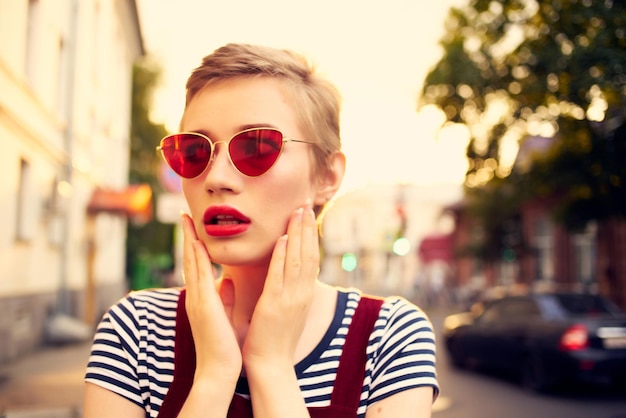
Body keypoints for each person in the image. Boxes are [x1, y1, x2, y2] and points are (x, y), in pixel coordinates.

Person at [83, 43, 438, 418]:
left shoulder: (388, 336)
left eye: (255, 147)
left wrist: (271, 366)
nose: (216, 178)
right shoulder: (135, 332)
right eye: (194, 151)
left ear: (327, 176)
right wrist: (214, 375)